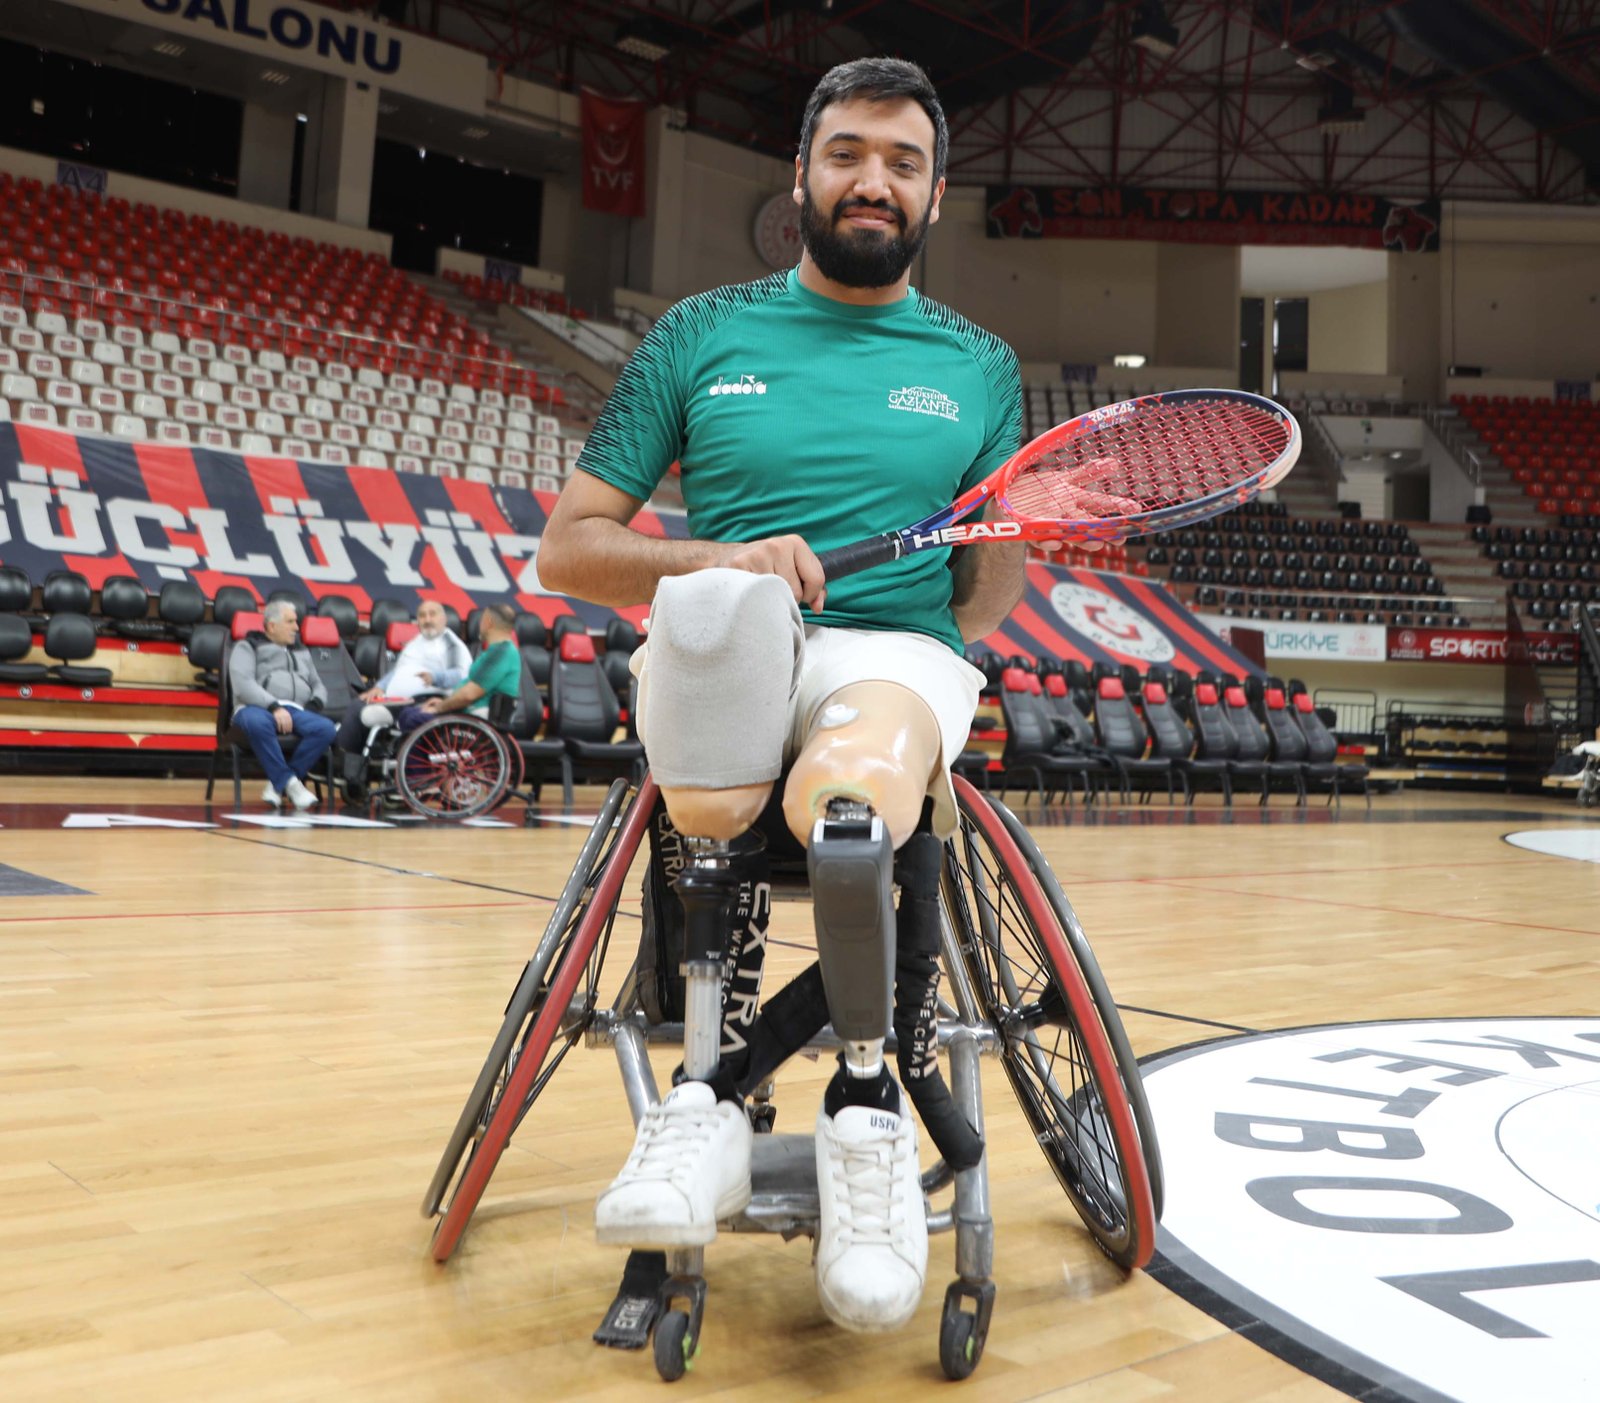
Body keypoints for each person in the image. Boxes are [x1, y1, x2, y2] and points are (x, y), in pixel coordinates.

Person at [538, 58, 1025, 1334]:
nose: (874, 180)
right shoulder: (700, 333)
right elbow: (569, 550)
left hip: (892, 654)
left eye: (903, 163)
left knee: (851, 800)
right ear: (800, 175)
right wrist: (724, 558)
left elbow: (985, 595)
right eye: (848, 153)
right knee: (711, 647)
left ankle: (864, 1114)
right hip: (731, 638)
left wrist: (978, 588)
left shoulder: (981, 365)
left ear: (933, 195)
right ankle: (707, 1104)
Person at [334, 599, 472, 793]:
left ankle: (349, 773)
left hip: (427, 700)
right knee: (358, 705)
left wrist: (436, 677)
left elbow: (461, 675)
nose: (427, 620)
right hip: (397, 701)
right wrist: (380, 687)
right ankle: (350, 773)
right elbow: (398, 672)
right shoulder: (416, 642)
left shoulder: (452, 644)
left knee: (361, 711)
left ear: (444, 618)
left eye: (432, 614)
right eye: (422, 615)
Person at [228, 599, 337, 811]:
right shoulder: (247, 646)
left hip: (296, 710)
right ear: (271, 626)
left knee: (325, 729)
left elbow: (318, 684)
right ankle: (293, 785)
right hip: (256, 707)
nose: (297, 627)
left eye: (296, 622)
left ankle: (280, 783)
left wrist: (313, 705)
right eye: (290, 622)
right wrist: (274, 707)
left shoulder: (301, 651)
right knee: (257, 722)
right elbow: (242, 684)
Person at [357, 600, 521, 737]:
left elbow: (469, 694)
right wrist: (444, 702)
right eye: (422, 615)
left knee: (412, 717)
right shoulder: (498, 651)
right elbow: (467, 690)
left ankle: (413, 767)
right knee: (409, 714)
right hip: (467, 712)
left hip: (474, 718)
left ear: (488, 622)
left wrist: (440, 707)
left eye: (482, 620)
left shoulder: (499, 653)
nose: (479, 625)